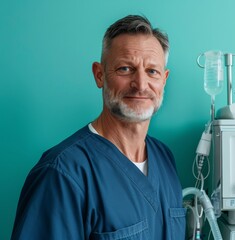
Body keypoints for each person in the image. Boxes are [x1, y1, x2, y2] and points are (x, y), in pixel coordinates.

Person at [11, 15, 186, 240]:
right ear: (99, 74)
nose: (141, 84)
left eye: (152, 71)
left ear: (164, 80)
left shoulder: (164, 158)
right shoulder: (63, 173)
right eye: (125, 69)